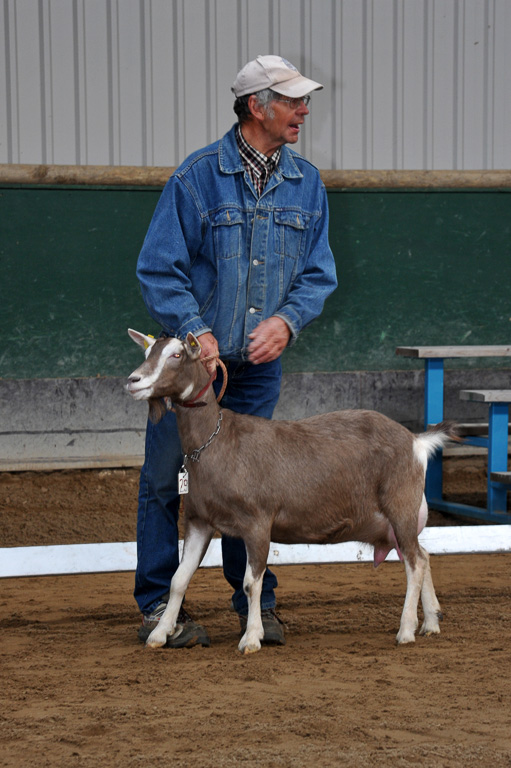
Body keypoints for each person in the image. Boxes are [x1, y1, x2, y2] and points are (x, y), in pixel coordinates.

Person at [135, 54, 337, 648]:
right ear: (258, 106)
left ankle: (253, 600)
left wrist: (287, 322)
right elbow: (158, 270)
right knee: (164, 481)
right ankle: (155, 604)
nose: (303, 110)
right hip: (196, 375)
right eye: (293, 100)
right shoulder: (197, 178)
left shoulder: (308, 184)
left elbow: (318, 275)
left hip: (258, 371)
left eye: (303, 100)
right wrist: (195, 328)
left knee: (252, 487)